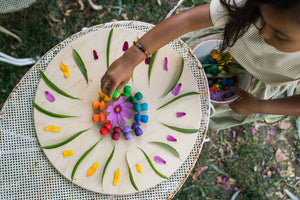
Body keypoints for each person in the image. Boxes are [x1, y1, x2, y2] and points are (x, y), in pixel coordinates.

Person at [101, 0, 300, 131]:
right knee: (162, 79)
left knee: (191, 114)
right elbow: (187, 21)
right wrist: (131, 58)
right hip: (224, 45)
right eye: (262, 19)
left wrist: (261, 106)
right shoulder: (262, 3)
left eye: (280, 35)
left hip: (260, 83)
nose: (263, 33)